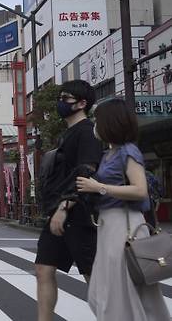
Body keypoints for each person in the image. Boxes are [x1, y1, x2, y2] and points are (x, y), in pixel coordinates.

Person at [77, 98, 170, 320]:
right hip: (110, 226)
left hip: (125, 224)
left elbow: (140, 190)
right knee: (107, 290)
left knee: (119, 289)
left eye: (98, 121)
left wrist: (98, 187)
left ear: (110, 123)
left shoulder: (128, 151)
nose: (95, 127)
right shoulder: (109, 153)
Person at [35, 80, 104, 321]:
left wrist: (65, 207)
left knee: (92, 276)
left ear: (83, 104)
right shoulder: (68, 133)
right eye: (60, 98)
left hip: (79, 213)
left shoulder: (88, 132)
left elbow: (86, 170)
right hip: (59, 212)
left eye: (66, 99)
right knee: (43, 268)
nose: (60, 103)